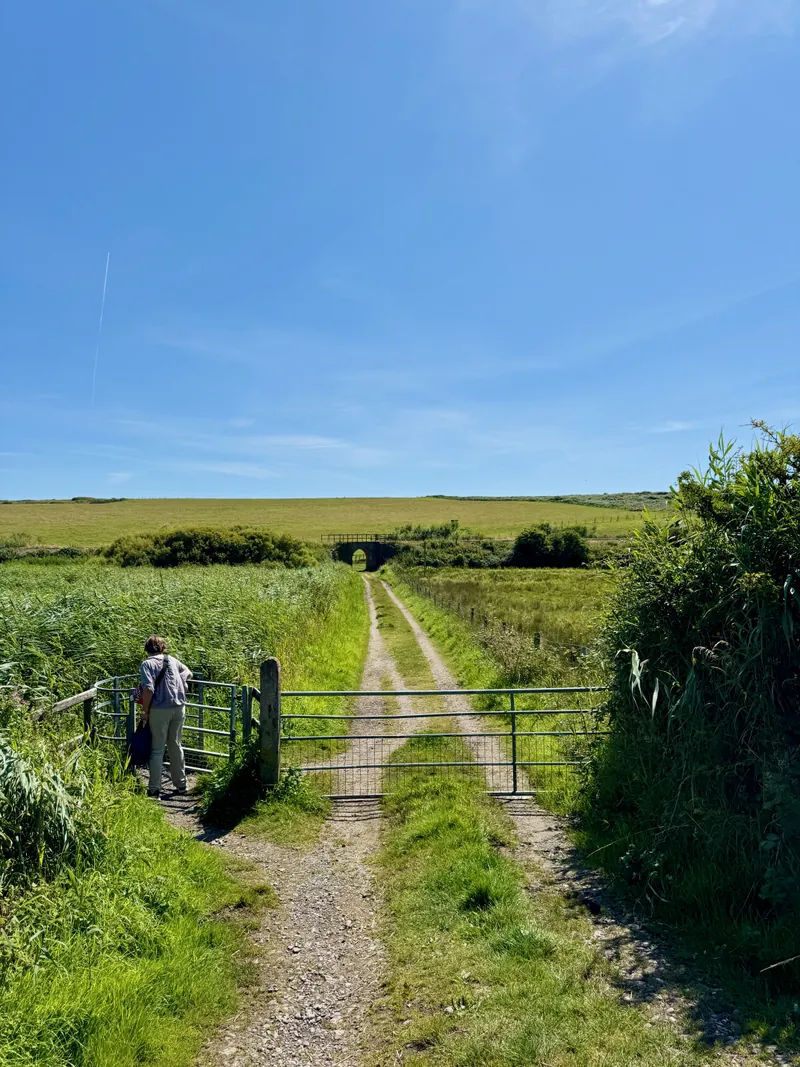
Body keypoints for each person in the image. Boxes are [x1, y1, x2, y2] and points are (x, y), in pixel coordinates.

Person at [139, 635, 192, 798]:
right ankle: (182, 785)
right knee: (176, 745)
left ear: (147, 649)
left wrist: (145, 711)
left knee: (157, 749)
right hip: (178, 706)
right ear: (162, 647)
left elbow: (148, 689)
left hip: (159, 709)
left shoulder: (147, 664)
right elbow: (188, 672)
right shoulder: (172, 660)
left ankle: (154, 788)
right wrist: (181, 685)